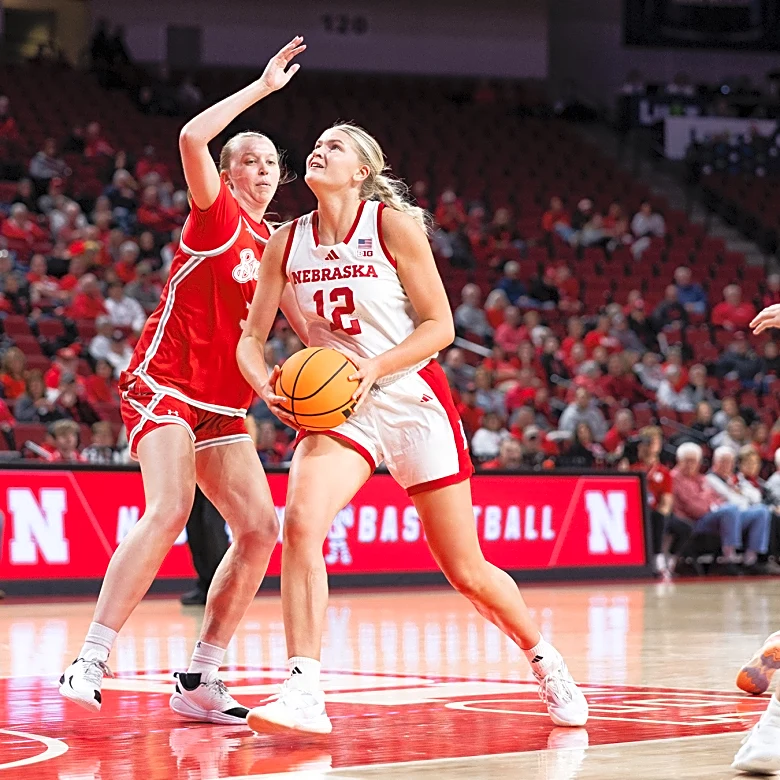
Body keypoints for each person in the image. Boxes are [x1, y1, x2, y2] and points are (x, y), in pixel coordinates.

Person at [237, 122, 588, 734]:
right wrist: (266, 386)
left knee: (465, 569)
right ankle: (304, 689)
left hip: (410, 396)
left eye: (335, 146)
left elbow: (439, 327)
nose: (319, 150)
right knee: (299, 524)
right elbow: (251, 336)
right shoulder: (285, 242)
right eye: (316, 144)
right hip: (342, 407)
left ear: (363, 170)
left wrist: (374, 366)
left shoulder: (391, 226)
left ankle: (545, 659)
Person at [58, 38, 308, 724]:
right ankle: (91, 656)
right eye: (247, 161)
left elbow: (307, 330)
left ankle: (200, 677)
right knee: (167, 508)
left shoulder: (280, 247)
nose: (260, 169)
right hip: (164, 382)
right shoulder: (216, 216)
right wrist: (261, 87)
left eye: (269, 163)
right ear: (228, 177)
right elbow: (194, 134)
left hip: (223, 406)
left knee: (260, 530)